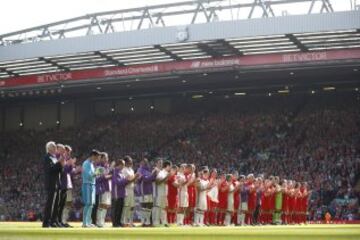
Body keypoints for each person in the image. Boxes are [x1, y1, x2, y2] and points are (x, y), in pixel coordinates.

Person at [42, 141, 65, 228]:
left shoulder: (54, 157)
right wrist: (58, 163)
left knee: (55, 205)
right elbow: (50, 170)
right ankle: (46, 222)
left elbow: (59, 171)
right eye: (54, 147)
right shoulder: (47, 157)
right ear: (49, 148)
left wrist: (61, 165)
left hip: (56, 183)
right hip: (51, 183)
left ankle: (52, 221)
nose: (56, 148)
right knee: (50, 204)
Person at [59, 145, 78, 227]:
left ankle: (64, 220)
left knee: (68, 203)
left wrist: (74, 168)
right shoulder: (60, 159)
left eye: (70, 152)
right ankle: (60, 221)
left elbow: (69, 172)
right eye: (68, 152)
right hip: (62, 184)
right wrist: (68, 164)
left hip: (68, 184)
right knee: (62, 203)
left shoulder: (67, 160)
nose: (69, 154)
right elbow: (62, 171)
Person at [81, 149, 101, 227]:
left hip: (92, 184)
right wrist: (97, 173)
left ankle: (88, 222)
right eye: (97, 157)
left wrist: (97, 173)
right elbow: (88, 175)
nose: (97, 159)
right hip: (87, 184)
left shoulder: (91, 164)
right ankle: (84, 223)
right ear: (93, 156)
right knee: (88, 203)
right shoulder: (86, 163)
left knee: (91, 204)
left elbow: (92, 176)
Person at [136, 158, 155, 227]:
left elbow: (152, 179)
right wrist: (153, 175)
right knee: (144, 206)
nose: (145, 163)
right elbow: (145, 179)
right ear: (141, 163)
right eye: (144, 162)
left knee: (149, 206)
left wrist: (152, 176)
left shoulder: (148, 170)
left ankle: (147, 221)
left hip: (149, 190)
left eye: (146, 161)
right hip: (143, 191)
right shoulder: (140, 170)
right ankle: (144, 221)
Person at [153, 160, 172, 226]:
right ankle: (156, 222)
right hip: (159, 193)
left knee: (163, 207)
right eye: (170, 166)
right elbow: (157, 182)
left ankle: (164, 222)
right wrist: (166, 177)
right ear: (167, 166)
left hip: (164, 193)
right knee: (158, 207)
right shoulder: (162, 172)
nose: (170, 168)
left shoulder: (165, 173)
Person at [122, 156, 139, 227]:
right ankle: (124, 221)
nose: (131, 162)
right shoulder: (124, 170)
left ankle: (130, 221)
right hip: (126, 189)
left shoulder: (131, 170)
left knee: (132, 206)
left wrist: (136, 178)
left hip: (132, 189)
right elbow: (127, 181)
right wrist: (134, 177)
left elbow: (133, 180)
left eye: (131, 161)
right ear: (125, 162)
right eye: (129, 161)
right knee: (126, 206)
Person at [96, 152, 112, 227]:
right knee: (101, 205)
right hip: (102, 188)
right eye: (105, 158)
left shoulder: (106, 167)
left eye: (107, 158)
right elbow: (97, 178)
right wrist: (108, 176)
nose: (106, 159)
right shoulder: (99, 167)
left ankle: (102, 221)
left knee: (106, 205)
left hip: (108, 188)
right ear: (101, 158)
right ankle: (99, 221)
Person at [111, 159, 128, 227]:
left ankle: (119, 222)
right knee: (116, 209)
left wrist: (126, 180)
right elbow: (117, 182)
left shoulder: (121, 172)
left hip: (122, 193)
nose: (123, 166)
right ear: (120, 164)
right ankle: (115, 223)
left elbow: (123, 182)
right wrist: (126, 179)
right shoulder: (115, 172)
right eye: (123, 165)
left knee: (120, 208)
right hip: (117, 193)